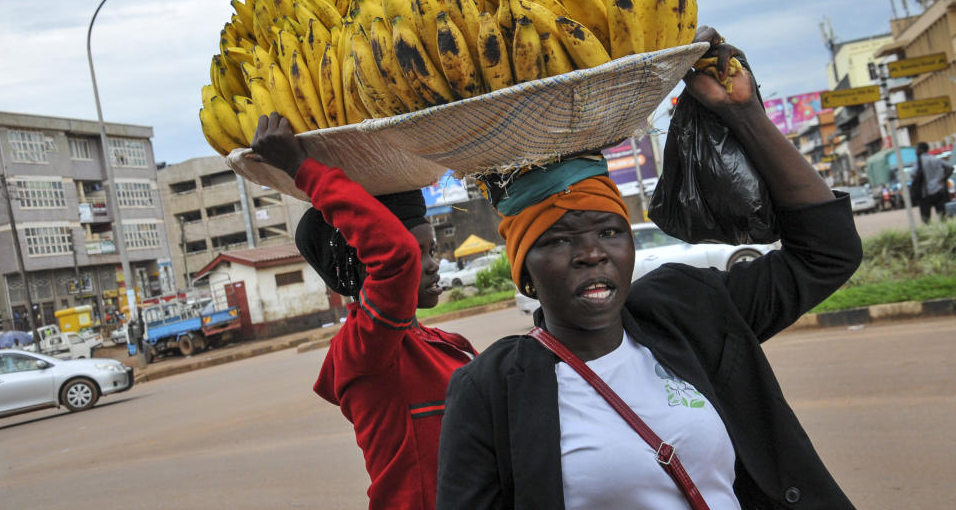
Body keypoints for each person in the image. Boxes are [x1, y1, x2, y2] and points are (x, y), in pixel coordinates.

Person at [435, 28, 864, 509]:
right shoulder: (490, 390)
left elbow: (827, 253)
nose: (592, 253)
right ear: (524, 271)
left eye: (610, 232)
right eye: (558, 239)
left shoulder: (690, 311)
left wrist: (742, 113)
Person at [250, 113, 478, 510]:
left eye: (431, 249)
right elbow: (397, 258)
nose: (431, 263)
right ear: (365, 263)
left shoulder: (442, 343)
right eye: (418, 251)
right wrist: (300, 167)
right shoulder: (365, 349)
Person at [913, 142, 953, 224]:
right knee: (942, 216)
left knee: (926, 219)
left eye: (917, 149)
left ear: (921, 150)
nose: (916, 152)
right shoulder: (935, 159)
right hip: (939, 191)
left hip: (925, 193)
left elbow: (913, 174)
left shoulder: (919, 161)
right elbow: (950, 168)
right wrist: (943, 179)